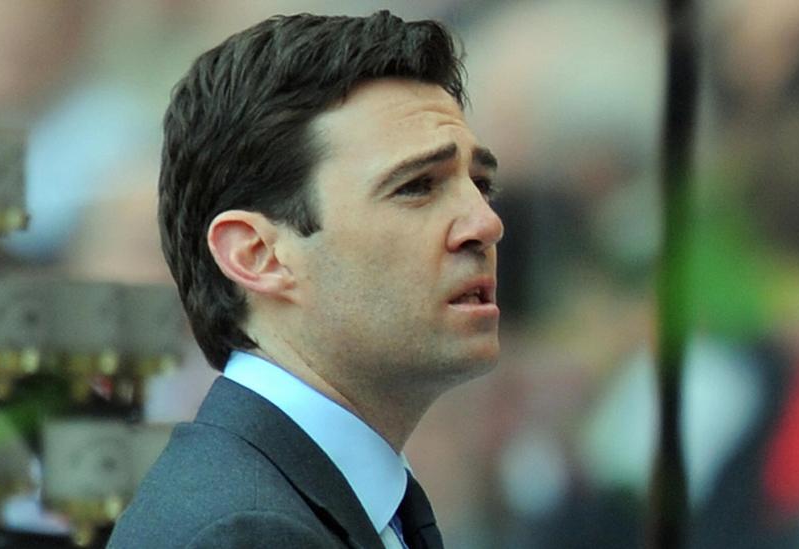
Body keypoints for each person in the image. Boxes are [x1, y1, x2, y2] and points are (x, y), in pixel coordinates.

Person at [107, 10, 503, 549]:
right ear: (258, 255)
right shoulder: (244, 532)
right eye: (416, 187)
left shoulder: (308, 499)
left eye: (481, 184)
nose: (485, 223)